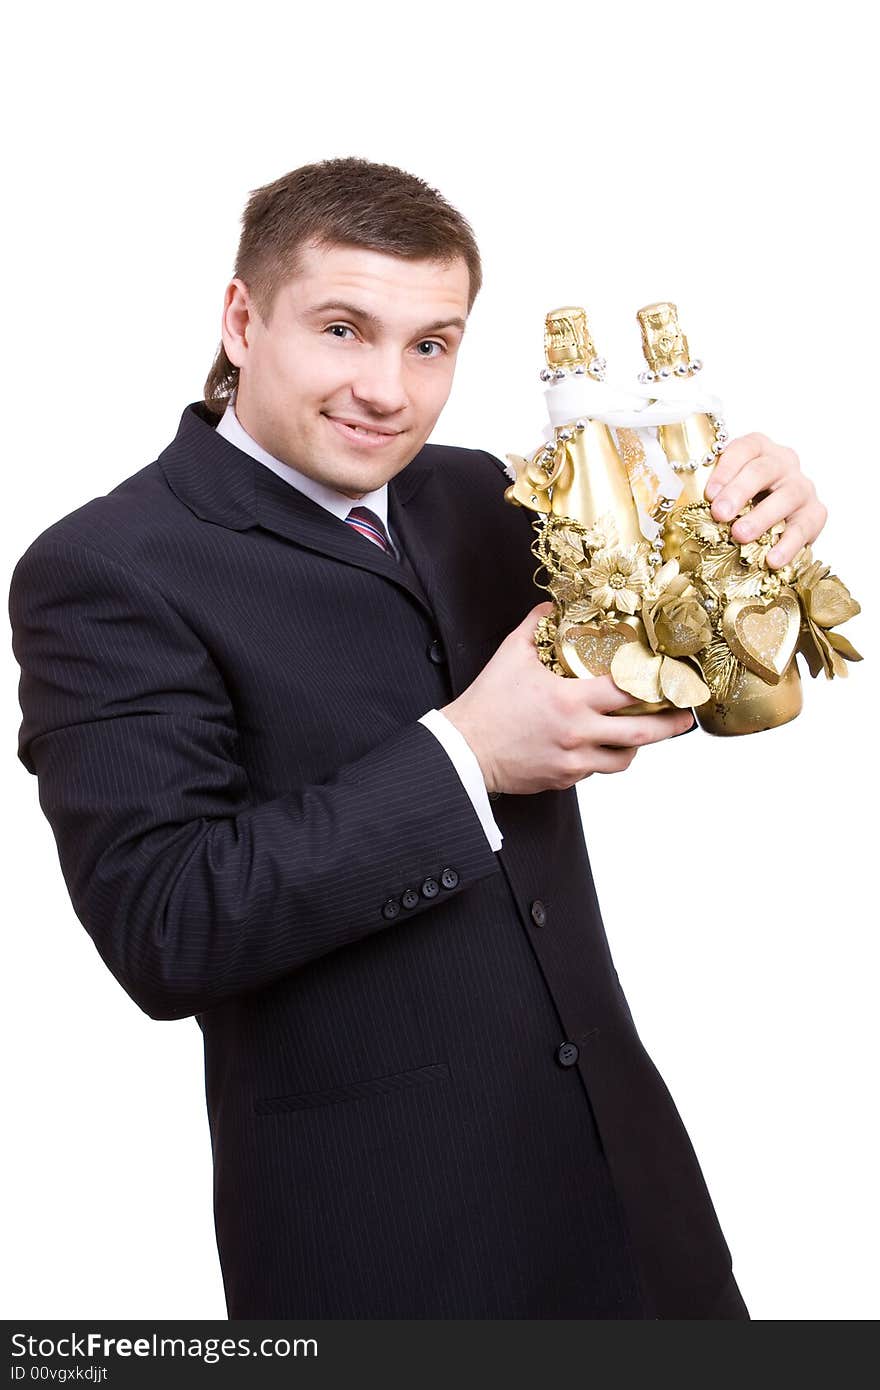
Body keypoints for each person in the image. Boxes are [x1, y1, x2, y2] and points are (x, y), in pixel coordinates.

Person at [8, 157, 826, 1320]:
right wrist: (463, 757)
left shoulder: (485, 495)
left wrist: (750, 542)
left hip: (635, 1206)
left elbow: (703, 686)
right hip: (384, 1246)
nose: (389, 389)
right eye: (344, 329)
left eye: (431, 343)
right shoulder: (106, 568)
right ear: (242, 320)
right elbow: (163, 925)